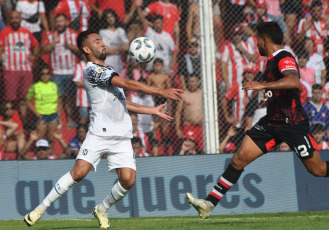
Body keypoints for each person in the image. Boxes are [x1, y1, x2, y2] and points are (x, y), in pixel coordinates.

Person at [24, 29, 183, 228]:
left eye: (102, 41)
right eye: (98, 41)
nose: (103, 44)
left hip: (122, 134)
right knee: (79, 172)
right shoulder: (92, 70)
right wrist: (161, 91)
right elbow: (126, 82)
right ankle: (40, 208)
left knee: (128, 180)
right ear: (86, 49)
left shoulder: (107, 70)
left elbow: (123, 102)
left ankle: (102, 208)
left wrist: (153, 110)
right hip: (100, 133)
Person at [186, 22, 329, 219]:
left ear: (264, 39)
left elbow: (294, 81)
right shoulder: (270, 61)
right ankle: (208, 204)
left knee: (318, 169)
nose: (256, 45)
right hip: (271, 123)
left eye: (257, 40)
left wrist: (263, 85)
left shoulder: (284, 57)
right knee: (238, 159)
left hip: (292, 123)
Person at [0, 10, 39, 125]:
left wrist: (34, 56)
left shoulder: (27, 32)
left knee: (24, 98)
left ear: (20, 19)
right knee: (10, 99)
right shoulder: (4, 33)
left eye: (17, 18)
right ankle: (10, 122)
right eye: (12, 18)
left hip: (26, 69)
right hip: (10, 69)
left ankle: (24, 122)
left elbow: (36, 45)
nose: (15, 20)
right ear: (9, 19)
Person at [42, 13, 80, 129]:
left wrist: (70, 46)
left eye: (61, 21)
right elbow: (44, 50)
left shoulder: (74, 35)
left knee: (69, 97)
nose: (59, 24)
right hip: (56, 72)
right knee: (58, 97)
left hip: (71, 71)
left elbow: (81, 50)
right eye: (57, 22)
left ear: (66, 22)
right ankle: (58, 119)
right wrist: (53, 43)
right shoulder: (50, 36)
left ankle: (70, 119)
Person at [26, 65, 61, 143]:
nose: (45, 75)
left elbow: (59, 99)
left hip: (52, 114)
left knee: (52, 137)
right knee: (40, 138)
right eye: (43, 74)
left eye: (47, 73)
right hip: (41, 115)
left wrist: (58, 111)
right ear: (40, 75)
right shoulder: (35, 86)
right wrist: (36, 112)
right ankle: (39, 154)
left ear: (50, 75)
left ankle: (51, 155)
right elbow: (27, 100)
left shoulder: (54, 85)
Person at [175, 74, 203, 150]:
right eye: (189, 82)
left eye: (193, 81)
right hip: (189, 125)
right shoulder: (184, 94)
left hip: (201, 126)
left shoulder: (203, 93)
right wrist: (178, 128)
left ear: (198, 82)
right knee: (188, 148)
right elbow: (178, 112)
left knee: (201, 148)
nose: (191, 84)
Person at [99, 9, 129, 73]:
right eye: (108, 17)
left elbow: (127, 47)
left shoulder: (120, 30)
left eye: (111, 16)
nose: (110, 19)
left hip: (119, 62)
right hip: (108, 62)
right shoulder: (103, 32)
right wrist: (120, 49)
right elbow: (105, 50)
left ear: (115, 17)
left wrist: (114, 50)